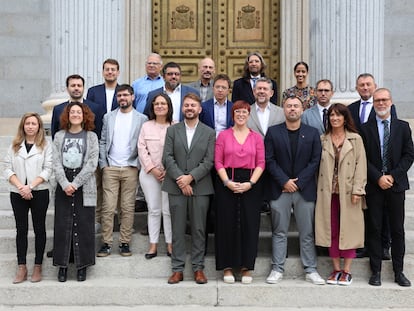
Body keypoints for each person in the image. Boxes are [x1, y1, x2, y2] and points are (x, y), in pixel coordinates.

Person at [264, 96, 325, 285]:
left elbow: (315, 161)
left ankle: (311, 269)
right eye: (289, 106)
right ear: (284, 109)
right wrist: (284, 181)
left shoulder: (313, 133)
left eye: (296, 106)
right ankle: (277, 268)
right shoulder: (273, 132)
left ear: (302, 109)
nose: (292, 109)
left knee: (307, 232)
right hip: (279, 189)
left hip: (304, 189)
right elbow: (269, 160)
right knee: (279, 231)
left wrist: (298, 182)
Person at [361, 88, 414, 287]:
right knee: (374, 228)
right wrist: (378, 177)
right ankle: (376, 272)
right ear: (373, 103)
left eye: (384, 100)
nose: (381, 104)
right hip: (374, 186)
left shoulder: (402, 127)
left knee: (397, 230)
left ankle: (398, 271)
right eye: (377, 101)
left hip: (396, 185)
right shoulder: (365, 129)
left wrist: (393, 175)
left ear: (391, 102)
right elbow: (362, 158)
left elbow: (409, 155)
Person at [162, 93, 215, 285]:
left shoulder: (209, 132)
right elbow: (167, 157)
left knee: (199, 229)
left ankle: (198, 268)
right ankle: (177, 269)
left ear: (200, 109)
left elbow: (209, 160)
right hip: (175, 187)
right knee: (177, 229)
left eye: (193, 105)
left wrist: (190, 178)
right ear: (182, 108)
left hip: (200, 187)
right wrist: (181, 180)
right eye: (186, 105)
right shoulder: (172, 131)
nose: (190, 108)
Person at [315, 103, 367, 286]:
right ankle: (336, 268)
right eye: (331, 115)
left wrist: (358, 190)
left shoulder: (355, 139)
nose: (335, 118)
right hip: (327, 192)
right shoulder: (322, 139)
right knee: (331, 230)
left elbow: (361, 166)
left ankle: (347, 271)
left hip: (348, 192)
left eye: (338, 115)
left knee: (349, 229)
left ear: (345, 118)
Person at [214, 100, 265, 284]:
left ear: (249, 114)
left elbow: (261, 163)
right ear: (233, 115)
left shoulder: (256, 137)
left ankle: (245, 268)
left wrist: (251, 183)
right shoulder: (223, 136)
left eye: (244, 112)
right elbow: (218, 162)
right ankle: (227, 267)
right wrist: (226, 181)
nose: (241, 115)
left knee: (249, 225)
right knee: (226, 224)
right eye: (238, 112)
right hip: (227, 181)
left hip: (251, 183)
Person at [348, 73, 395, 260]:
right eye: (361, 85)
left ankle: (384, 246)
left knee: (384, 211)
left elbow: (393, 138)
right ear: (357, 88)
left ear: (374, 86)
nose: (365, 88)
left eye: (368, 84)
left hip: (382, 169)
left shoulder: (388, 108)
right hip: (359, 166)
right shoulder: (350, 109)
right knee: (365, 210)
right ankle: (364, 244)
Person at [97, 84, 148, 257]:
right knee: (108, 207)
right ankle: (106, 243)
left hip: (130, 167)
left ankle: (125, 242)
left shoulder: (142, 118)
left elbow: (143, 143)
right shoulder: (108, 117)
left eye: (126, 95)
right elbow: (103, 140)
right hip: (111, 167)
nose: (122, 98)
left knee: (127, 207)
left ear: (133, 97)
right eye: (119, 96)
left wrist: (138, 164)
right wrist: (104, 164)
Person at [52, 102, 99, 282]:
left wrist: (76, 183)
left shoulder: (91, 136)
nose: (76, 115)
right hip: (63, 182)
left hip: (84, 183)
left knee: (85, 224)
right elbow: (55, 161)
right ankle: (62, 266)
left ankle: (83, 265)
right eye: (72, 112)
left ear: (84, 115)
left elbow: (92, 163)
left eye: (79, 112)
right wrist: (64, 183)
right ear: (67, 115)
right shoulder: (59, 136)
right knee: (63, 224)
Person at [4, 113, 52, 283]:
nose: (30, 126)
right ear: (23, 126)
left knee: (39, 229)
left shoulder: (46, 146)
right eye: (27, 123)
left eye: (34, 123)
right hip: (18, 193)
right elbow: (7, 169)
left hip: (39, 191)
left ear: (39, 126)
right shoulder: (14, 146)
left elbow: (48, 169)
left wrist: (30, 186)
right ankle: (22, 267)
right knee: (21, 230)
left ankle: (38, 266)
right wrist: (21, 187)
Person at [138, 94, 174, 259]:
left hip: (170, 175)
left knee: (167, 210)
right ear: (152, 107)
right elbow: (141, 149)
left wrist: (169, 170)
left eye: (163, 103)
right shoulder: (146, 126)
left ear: (168, 106)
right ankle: (153, 245)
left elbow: (178, 151)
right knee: (153, 209)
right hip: (149, 174)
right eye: (157, 104)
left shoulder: (175, 126)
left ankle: (170, 244)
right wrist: (152, 169)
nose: (160, 106)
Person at [86, 58, 121, 233]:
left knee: (119, 186)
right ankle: (98, 218)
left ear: (118, 72)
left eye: (113, 69)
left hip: (119, 146)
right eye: (107, 69)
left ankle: (118, 219)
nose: (110, 72)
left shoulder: (123, 91)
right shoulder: (93, 92)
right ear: (103, 72)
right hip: (98, 142)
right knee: (99, 183)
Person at [51, 74, 105, 140]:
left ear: (83, 88)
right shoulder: (58, 109)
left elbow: (98, 132)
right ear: (67, 89)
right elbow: (55, 133)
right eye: (73, 85)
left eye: (79, 86)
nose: (76, 88)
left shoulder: (95, 108)